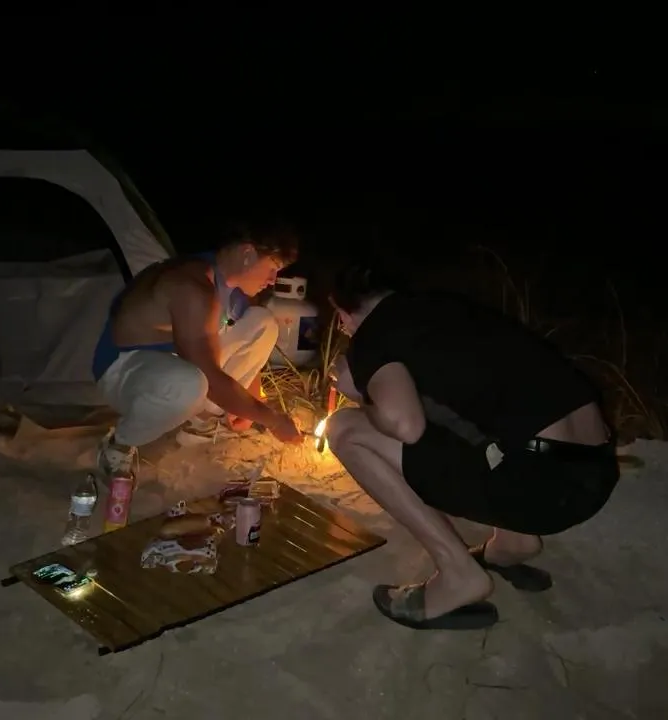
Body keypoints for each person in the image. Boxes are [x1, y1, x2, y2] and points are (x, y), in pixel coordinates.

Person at [325, 264, 619, 631]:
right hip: (596, 470)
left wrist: (359, 390)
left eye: (341, 322)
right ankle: (514, 542)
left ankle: (457, 574)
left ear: (346, 312)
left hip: (542, 490)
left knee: (344, 429)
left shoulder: (374, 331)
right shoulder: (447, 308)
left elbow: (404, 425)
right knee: (475, 419)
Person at [92, 222, 305, 476]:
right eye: (273, 268)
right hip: (126, 371)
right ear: (247, 253)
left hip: (179, 362)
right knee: (190, 384)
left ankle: (200, 422)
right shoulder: (193, 286)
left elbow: (237, 348)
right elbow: (210, 378)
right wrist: (272, 420)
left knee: (262, 323)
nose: (272, 281)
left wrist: (253, 402)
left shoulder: (233, 287)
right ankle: (120, 443)